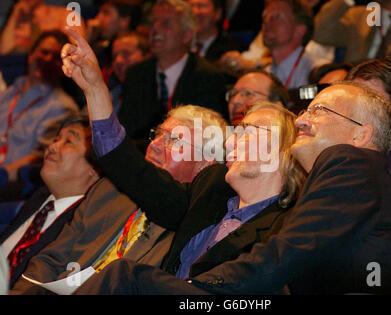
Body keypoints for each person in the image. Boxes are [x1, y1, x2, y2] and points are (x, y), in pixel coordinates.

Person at [62, 27, 391, 294]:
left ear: (360, 134)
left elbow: (279, 260)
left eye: (320, 110)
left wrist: (193, 292)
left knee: (126, 276)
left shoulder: (352, 166)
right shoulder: (212, 192)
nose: (303, 119)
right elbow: (135, 173)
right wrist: (94, 89)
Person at [10, 105, 228, 294]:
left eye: (174, 140)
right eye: (158, 135)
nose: (156, 144)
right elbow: (51, 259)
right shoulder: (109, 189)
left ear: (205, 165)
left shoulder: (193, 227)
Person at [0, 116, 101, 287]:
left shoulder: (84, 224)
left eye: (68, 141)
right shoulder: (41, 198)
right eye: (55, 139)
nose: (52, 147)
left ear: (94, 168)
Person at [117, 0, 229, 141]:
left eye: (166, 23)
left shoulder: (207, 77)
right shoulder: (136, 74)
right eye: (153, 23)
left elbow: (210, 138)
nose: (155, 29)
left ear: (186, 35)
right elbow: (126, 132)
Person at [0, 30, 79, 183]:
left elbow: (42, 157)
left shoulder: (63, 107)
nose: (48, 59)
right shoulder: (9, 93)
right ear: (31, 55)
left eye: (56, 57)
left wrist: (2, 176)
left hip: (14, 185)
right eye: (44, 52)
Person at [0, 0, 86, 55]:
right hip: (23, 77)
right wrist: (15, 13)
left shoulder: (67, 14)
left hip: (57, 73)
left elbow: (77, 50)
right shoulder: (16, 22)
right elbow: (4, 53)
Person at [86, 0, 142, 72]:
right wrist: (89, 39)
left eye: (106, 13)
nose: (98, 18)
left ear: (124, 21)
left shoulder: (135, 48)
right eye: (99, 12)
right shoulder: (104, 45)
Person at [108, 31, 150, 114]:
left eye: (126, 54)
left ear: (147, 57)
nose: (118, 61)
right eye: (114, 56)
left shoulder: (159, 95)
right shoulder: (111, 95)